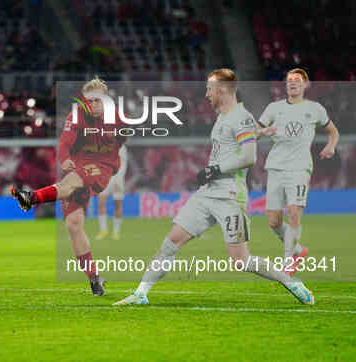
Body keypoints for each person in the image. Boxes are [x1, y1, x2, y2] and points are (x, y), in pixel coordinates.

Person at [114, 69, 315, 306]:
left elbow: (249, 156)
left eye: (210, 89)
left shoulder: (241, 117)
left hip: (230, 196)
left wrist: (215, 169)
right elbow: (240, 140)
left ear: (222, 90)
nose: (207, 94)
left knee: (241, 260)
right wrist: (258, 133)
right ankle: (141, 293)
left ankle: (291, 282)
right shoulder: (225, 116)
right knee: (171, 241)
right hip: (207, 193)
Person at [11, 77, 126, 296]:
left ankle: (31, 198)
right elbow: (64, 143)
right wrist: (64, 159)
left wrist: (119, 134)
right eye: (89, 101)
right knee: (74, 225)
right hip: (77, 167)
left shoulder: (117, 117)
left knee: (71, 182)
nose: (93, 105)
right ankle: (94, 279)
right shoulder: (76, 117)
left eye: (98, 101)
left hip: (102, 167)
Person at [257, 68, 339, 275]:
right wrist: (263, 131)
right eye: (289, 81)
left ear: (305, 84)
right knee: (274, 221)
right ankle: (297, 250)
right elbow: (253, 132)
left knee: (294, 212)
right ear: (285, 86)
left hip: (300, 168)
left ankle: (287, 261)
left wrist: (331, 146)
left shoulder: (315, 109)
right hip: (275, 167)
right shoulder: (273, 108)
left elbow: (333, 131)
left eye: (297, 80)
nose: (292, 83)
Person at [95, 144, 128, 240]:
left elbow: (123, 164)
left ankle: (116, 231)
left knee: (117, 204)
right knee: (101, 201)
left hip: (117, 179)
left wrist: (118, 178)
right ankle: (103, 230)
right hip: (104, 177)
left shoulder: (121, 147)